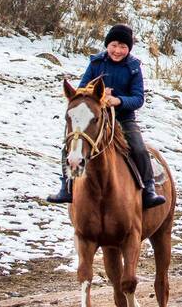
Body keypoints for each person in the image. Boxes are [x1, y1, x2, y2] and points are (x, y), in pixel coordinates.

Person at [49, 23, 165, 209]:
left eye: (123, 47)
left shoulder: (133, 68)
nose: (117, 50)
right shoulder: (96, 63)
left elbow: (138, 98)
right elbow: (82, 89)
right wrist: (97, 95)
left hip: (123, 118)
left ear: (128, 49)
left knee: (139, 147)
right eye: (114, 45)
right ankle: (68, 186)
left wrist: (118, 100)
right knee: (71, 145)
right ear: (107, 45)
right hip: (95, 118)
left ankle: (148, 189)